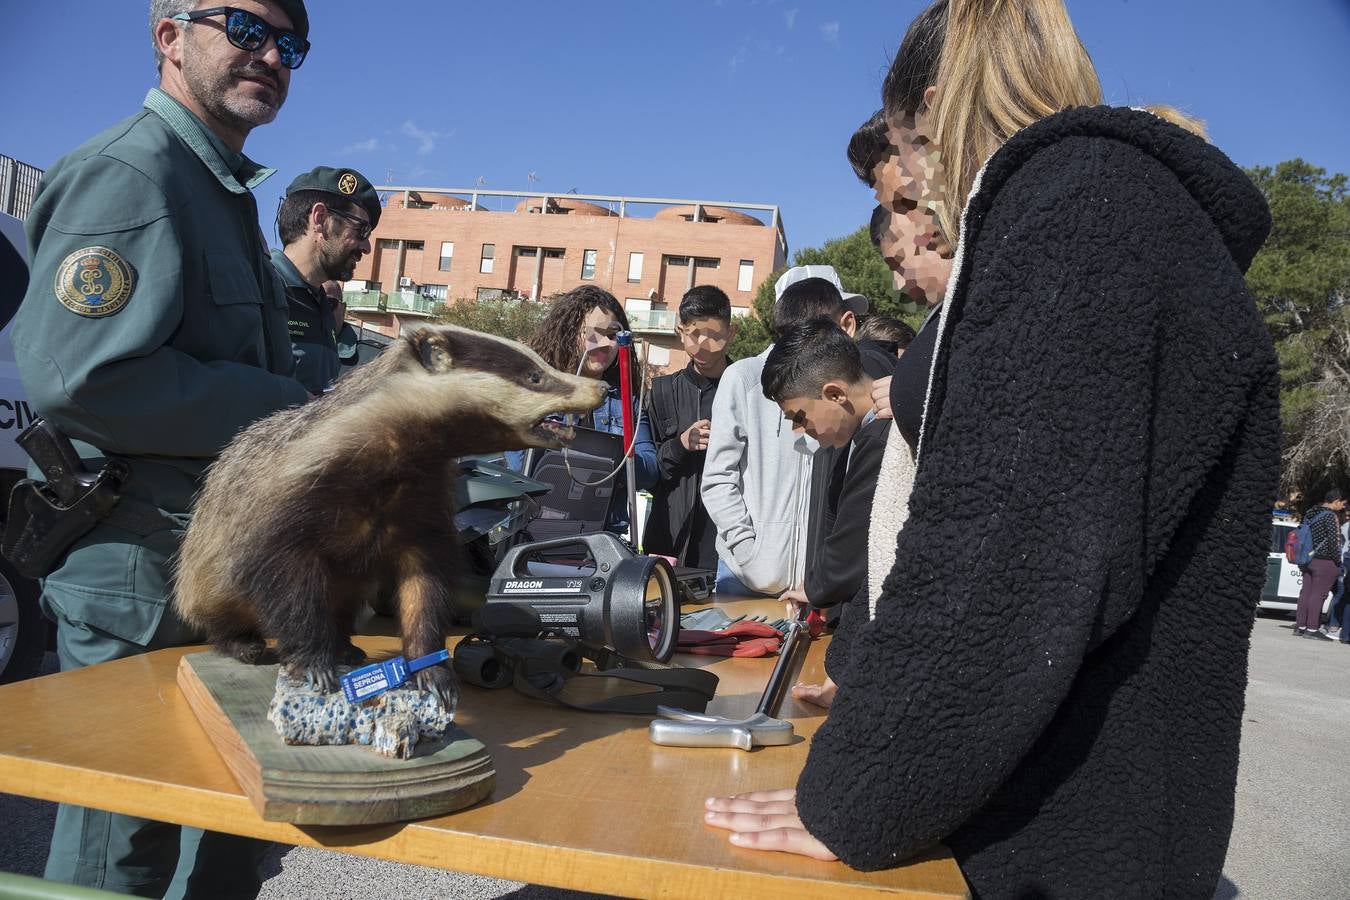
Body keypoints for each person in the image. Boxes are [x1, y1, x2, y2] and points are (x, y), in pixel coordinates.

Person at [703, 2, 1280, 897]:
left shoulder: (1077, 205)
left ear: (933, 113)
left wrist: (862, 791)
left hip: (1064, 838)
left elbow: (999, 551)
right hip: (1079, 809)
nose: (924, 211)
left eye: (911, 157)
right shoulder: (1112, 207)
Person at [10, 1, 312, 896]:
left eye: (290, 44)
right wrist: (286, 410)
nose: (271, 54)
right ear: (170, 36)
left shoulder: (217, 188)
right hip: (140, 565)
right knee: (122, 845)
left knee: (221, 823)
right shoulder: (133, 173)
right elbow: (85, 375)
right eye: (245, 28)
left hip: (214, 563)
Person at [701, 266, 871, 597]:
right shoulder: (744, 378)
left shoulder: (845, 384)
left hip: (814, 582)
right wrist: (749, 552)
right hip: (744, 577)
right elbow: (718, 478)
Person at [763, 318, 892, 708]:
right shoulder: (865, 434)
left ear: (834, 393)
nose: (801, 431)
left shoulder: (882, 438)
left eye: (799, 417)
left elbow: (857, 544)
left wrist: (818, 585)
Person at [507, 284, 637, 533]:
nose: (605, 344)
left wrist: (615, 457)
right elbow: (519, 468)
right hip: (534, 531)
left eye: (612, 335)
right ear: (569, 333)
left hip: (602, 535)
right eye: (594, 333)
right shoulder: (533, 391)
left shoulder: (624, 401)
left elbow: (648, 470)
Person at [633, 285, 737, 569]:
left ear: (731, 333)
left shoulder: (747, 389)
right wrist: (680, 445)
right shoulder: (663, 390)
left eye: (714, 335)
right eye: (694, 335)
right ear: (680, 331)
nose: (703, 344)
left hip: (729, 542)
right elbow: (652, 470)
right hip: (669, 537)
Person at [271, 166, 379, 393]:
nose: (367, 247)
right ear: (320, 219)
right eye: (362, 230)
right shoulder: (261, 288)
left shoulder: (324, 306)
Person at [1295, 490, 1346, 639]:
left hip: (1307, 558)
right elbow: (1334, 541)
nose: (1342, 507)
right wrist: (1338, 562)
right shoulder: (1331, 516)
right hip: (1325, 560)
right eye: (1342, 504)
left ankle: (1301, 626)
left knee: (1306, 592)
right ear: (1336, 501)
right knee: (1318, 595)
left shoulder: (1311, 512)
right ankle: (1311, 629)